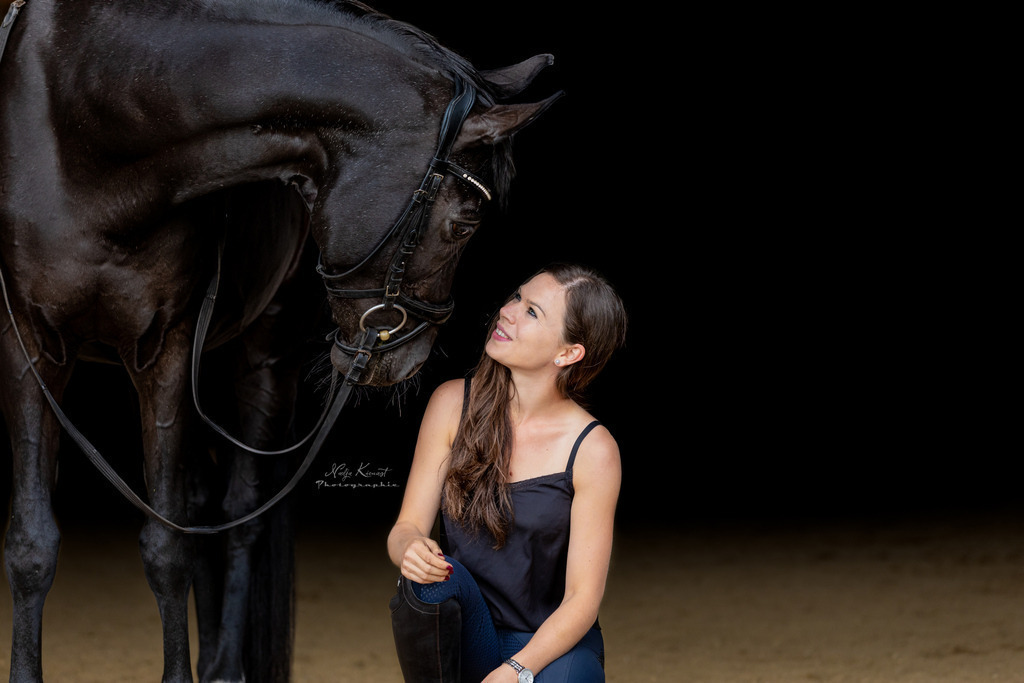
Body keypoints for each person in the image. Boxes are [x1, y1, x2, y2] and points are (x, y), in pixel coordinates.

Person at [387, 263, 628, 683]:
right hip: (468, 631)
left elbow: (582, 599)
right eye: (517, 297)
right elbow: (405, 528)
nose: (508, 311)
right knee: (427, 582)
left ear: (567, 353)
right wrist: (409, 547)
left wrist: (517, 670)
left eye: (532, 312)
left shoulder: (593, 450)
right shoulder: (451, 404)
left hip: (548, 644)